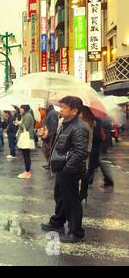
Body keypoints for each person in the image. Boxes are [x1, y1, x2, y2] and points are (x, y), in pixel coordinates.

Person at [42, 96, 89, 243]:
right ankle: (57, 222)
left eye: (64, 107)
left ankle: (76, 232)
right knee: (61, 196)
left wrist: (67, 169)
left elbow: (80, 152)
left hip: (70, 169)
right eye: (60, 107)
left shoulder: (79, 127)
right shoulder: (65, 123)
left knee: (71, 200)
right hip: (61, 166)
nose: (60, 110)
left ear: (74, 111)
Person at [16, 105, 35, 179]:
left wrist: (18, 123)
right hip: (27, 137)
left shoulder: (27, 116)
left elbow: (25, 126)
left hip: (26, 137)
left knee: (26, 155)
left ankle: (27, 172)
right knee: (26, 155)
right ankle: (27, 171)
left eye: (21, 108)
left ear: (25, 109)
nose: (20, 110)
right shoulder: (27, 115)